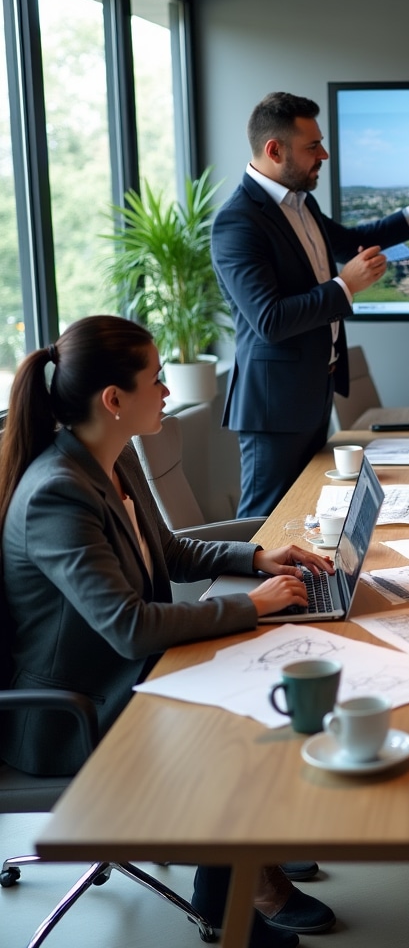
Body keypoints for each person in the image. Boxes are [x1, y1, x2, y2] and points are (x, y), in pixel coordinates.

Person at [0, 315, 341, 948]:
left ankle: (248, 854)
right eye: (155, 379)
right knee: (233, 714)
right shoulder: (57, 494)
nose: (164, 391)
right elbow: (129, 628)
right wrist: (255, 606)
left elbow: (169, 552)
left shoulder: (110, 456)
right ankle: (229, 893)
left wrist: (254, 559)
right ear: (113, 400)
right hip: (68, 711)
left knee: (261, 668)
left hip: (114, 675)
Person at [212, 91, 409, 516]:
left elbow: (346, 242)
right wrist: (344, 287)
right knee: (264, 518)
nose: (323, 154)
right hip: (274, 408)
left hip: (312, 391)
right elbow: (269, 320)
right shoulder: (237, 222)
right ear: (275, 150)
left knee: (303, 512)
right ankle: (243, 586)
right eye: (312, 146)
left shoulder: (299, 202)